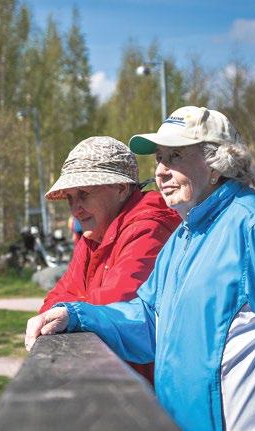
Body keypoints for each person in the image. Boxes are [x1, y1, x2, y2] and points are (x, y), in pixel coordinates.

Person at [26, 107, 255, 430]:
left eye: (175, 156)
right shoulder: (183, 236)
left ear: (217, 164)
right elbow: (149, 321)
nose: (161, 171)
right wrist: (76, 316)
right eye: (159, 158)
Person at [39, 136, 181, 383]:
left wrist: (72, 310)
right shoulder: (94, 236)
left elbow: (115, 307)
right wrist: (68, 310)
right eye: (70, 198)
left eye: (84, 193)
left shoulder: (148, 228)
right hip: (119, 378)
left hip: (146, 391)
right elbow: (53, 302)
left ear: (121, 188)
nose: (75, 209)